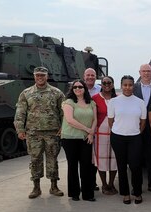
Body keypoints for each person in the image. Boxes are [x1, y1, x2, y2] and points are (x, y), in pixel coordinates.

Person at [14, 66, 65, 199]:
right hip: (33, 133)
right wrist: (20, 129)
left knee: (52, 159)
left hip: (52, 132)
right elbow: (20, 112)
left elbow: (63, 112)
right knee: (35, 159)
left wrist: (63, 127)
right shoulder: (26, 93)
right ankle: (36, 188)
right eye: (37, 75)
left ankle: (54, 186)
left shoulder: (57, 93)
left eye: (42, 75)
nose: (40, 77)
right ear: (34, 76)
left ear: (47, 76)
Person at [108, 75, 146, 205]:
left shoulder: (140, 102)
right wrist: (120, 130)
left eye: (130, 85)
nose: (128, 87)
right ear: (121, 85)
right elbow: (110, 121)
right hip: (118, 137)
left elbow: (143, 122)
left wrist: (134, 132)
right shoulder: (114, 102)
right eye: (125, 85)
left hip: (135, 137)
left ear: (133, 86)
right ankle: (125, 193)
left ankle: (137, 192)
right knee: (121, 166)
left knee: (135, 166)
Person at [61, 79, 97, 202]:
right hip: (70, 138)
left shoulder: (91, 102)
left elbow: (95, 119)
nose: (77, 89)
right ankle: (74, 193)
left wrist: (91, 133)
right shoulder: (68, 102)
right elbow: (70, 120)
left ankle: (88, 194)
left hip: (86, 138)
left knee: (86, 165)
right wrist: (87, 129)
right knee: (72, 165)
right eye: (75, 87)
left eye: (80, 87)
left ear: (85, 88)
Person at [133, 64, 151, 194]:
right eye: (143, 71)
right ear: (139, 72)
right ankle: (136, 186)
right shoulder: (133, 87)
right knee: (136, 158)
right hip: (136, 127)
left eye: (148, 71)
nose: (146, 73)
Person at [92, 76, 118, 195]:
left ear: (112, 84)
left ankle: (112, 183)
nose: (107, 84)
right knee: (101, 159)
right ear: (101, 84)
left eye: (109, 82)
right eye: (104, 83)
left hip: (116, 133)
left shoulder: (118, 98)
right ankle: (104, 184)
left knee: (114, 159)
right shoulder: (95, 98)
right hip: (100, 134)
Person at [84, 67, 101, 191]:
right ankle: (85, 182)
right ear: (84, 76)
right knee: (83, 158)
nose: (90, 77)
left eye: (92, 75)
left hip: (96, 128)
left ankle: (93, 181)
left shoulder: (100, 90)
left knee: (93, 157)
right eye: (88, 75)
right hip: (81, 128)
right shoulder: (78, 89)